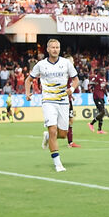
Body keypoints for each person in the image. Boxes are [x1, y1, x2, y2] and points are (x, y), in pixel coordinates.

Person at [26, 38, 78, 172]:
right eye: (53, 47)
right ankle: (58, 163)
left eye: (57, 47)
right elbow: (29, 79)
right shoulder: (41, 65)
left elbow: (76, 80)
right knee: (53, 129)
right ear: (48, 49)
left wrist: (71, 90)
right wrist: (28, 93)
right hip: (48, 101)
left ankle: (48, 136)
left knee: (63, 134)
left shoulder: (66, 63)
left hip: (63, 101)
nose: (55, 49)